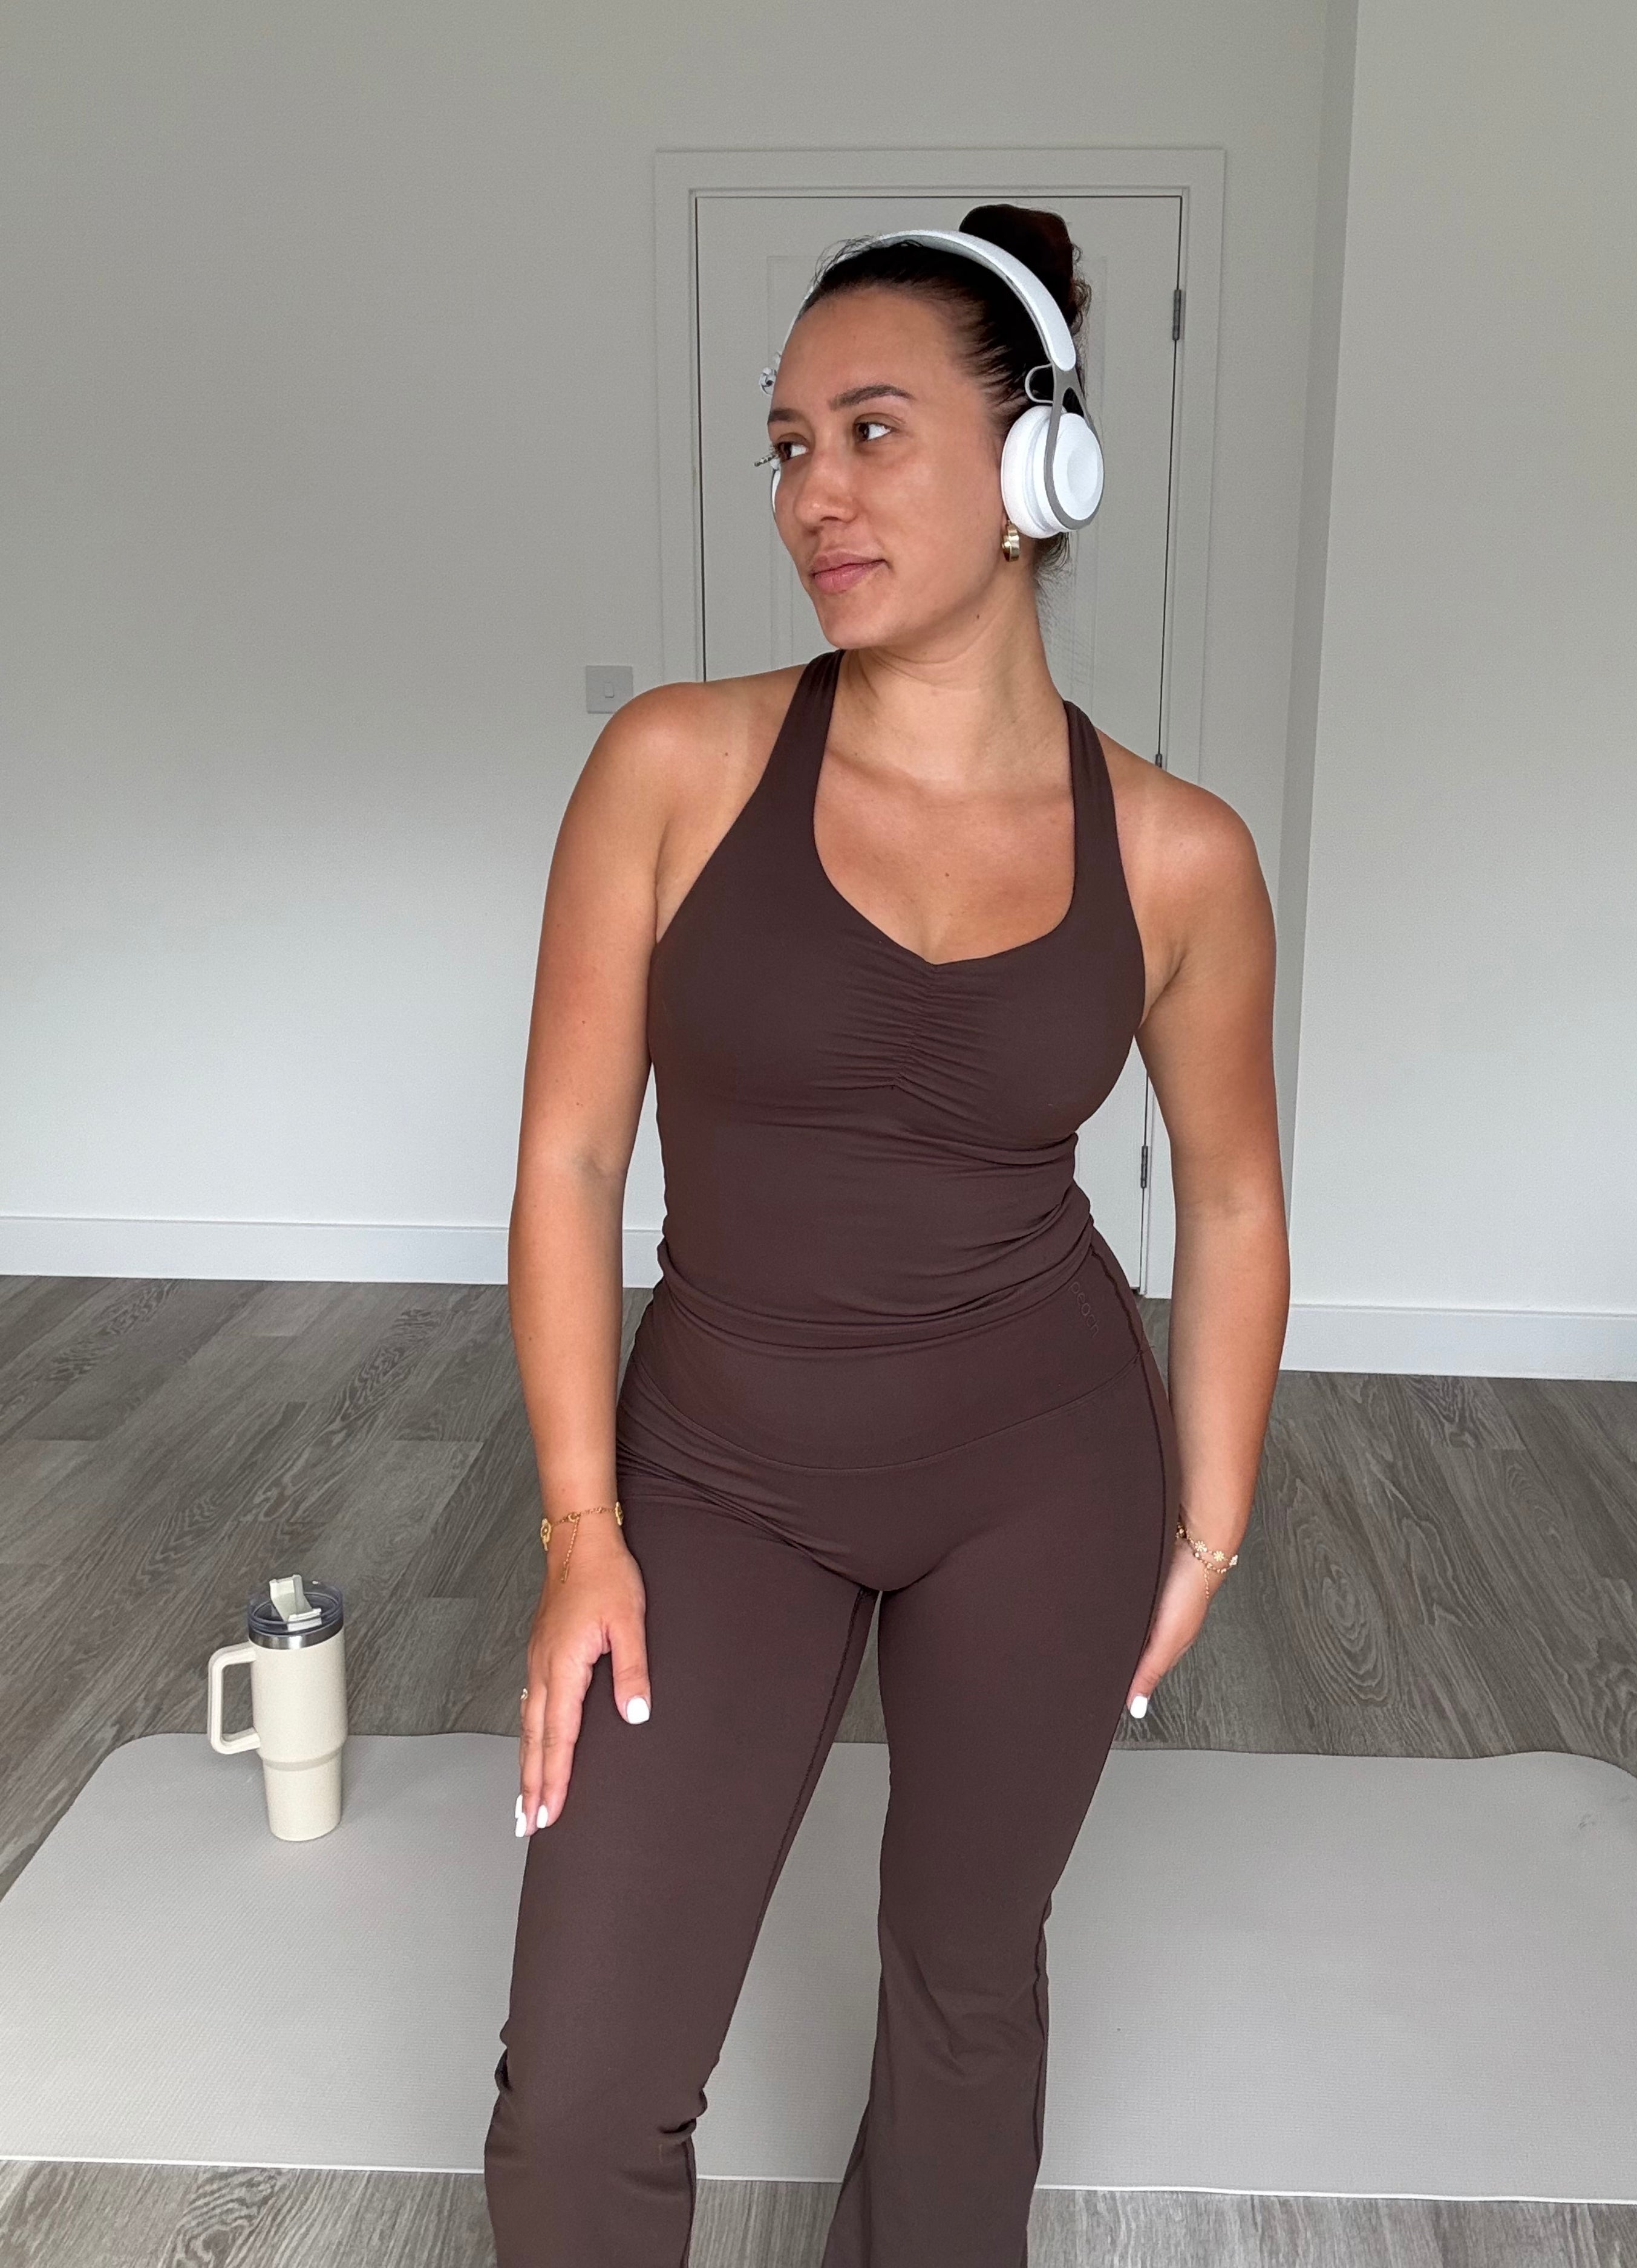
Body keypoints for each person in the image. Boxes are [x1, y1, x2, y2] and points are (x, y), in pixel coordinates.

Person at [483, 203, 1290, 2267]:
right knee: (580, 2097)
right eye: (785, 446)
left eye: (869, 432)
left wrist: (1206, 1525)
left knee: (964, 1986)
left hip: (1040, 1468)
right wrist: (581, 1528)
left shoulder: (1180, 852)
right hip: (717, 1470)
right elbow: (569, 1160)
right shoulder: (676, 766)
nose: (811, 497)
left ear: (1039, 468)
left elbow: (1228, 1189)